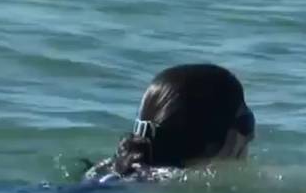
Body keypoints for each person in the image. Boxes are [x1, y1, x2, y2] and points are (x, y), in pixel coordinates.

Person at [83, 63, 256, 184]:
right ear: (212, 139)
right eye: (246, 123)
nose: (251, 136)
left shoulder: (107, 173)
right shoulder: (178, 184)